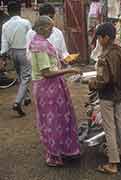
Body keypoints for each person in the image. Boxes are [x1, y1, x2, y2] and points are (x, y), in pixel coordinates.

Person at [29, 15, 80, 166]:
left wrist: (61, 63)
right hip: (48, 89)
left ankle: (62, 150)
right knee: (53, 121)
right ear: (42, 28)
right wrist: (68, 70)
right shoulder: (41, 45)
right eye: (50, 28)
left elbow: (49, 66)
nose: (52, 30)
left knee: (58, 119)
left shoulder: (39, 42)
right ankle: (54, 155)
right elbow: (46, 72)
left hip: (50, 88)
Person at [89, 22, 121, 174]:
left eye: (99, 38)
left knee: (109, 128)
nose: (99, 41)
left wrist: (91, 84)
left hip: (107, 96)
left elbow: (103, 81)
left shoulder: (104, 57)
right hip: (120, 94)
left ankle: (112, 163)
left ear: (106, 37)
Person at [0, 1, 32, 116]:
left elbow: (4, 43)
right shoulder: (25, 22)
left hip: (13, 52)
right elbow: (31, 38)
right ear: (20, 10)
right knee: (26, 77)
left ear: (8, 11)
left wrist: (3, 57)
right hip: (24, 52)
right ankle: (17, 102)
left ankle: (26, 97)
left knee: (20, 75)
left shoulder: (5, 25)